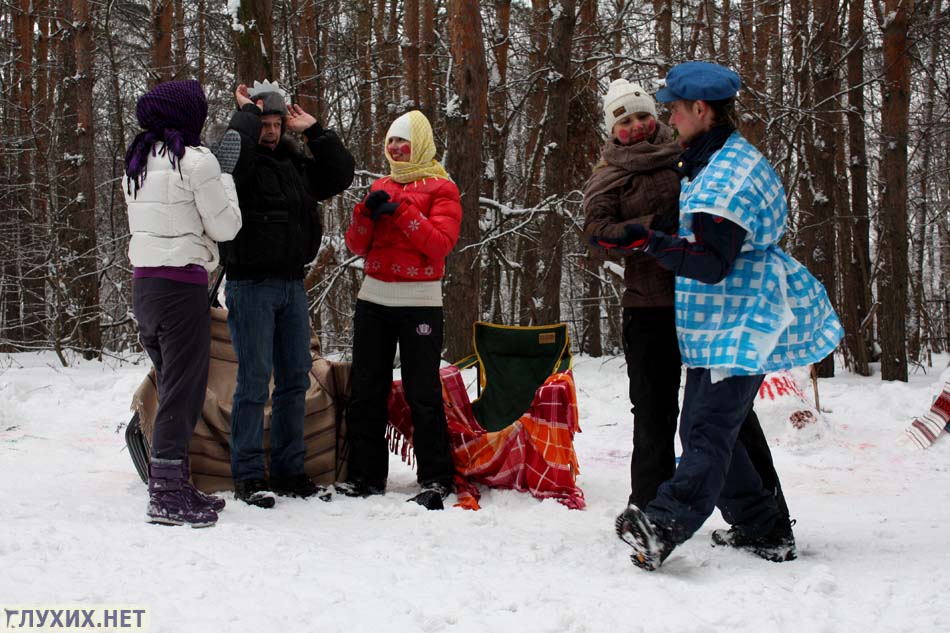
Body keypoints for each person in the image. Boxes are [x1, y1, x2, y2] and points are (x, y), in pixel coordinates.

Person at [592, 61, 842, 570]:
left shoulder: (724, 175)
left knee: (705, 430)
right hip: (714, 319)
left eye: (672, 110)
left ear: (700, 110)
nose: (665, 119)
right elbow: (601, 227)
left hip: (739, 319)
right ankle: (763, 528)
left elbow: (711, 261)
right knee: (708, 426)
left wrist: (653, 240)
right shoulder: (708, 157)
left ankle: (662, 525)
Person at [583, 79, 794, 521]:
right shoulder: (608, 175)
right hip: (650, 304)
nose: (637, 126)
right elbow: (597, 233)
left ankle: (768, 507)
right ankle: (647, 503)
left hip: (706, 300)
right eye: (624, 121)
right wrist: (650, 227)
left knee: (728, 411)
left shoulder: (690, 156)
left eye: (642, 115)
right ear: (612, 130)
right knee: (654, 408)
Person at [221, 80, 355, 508]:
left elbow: (339, 174)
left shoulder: (296, 166)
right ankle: (246, 475)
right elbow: (229, 163)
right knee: (254, 381)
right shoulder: (237, 166)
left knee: (295, 379)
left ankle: (289, 471)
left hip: (292, 285)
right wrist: (246, 114)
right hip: (249, 284)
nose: (272, 131)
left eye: (278, 124)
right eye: (265, 123)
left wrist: (314, 130)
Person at [124, 80, 243, 527]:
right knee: (183, 389)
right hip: (180, 287)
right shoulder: (196, 162)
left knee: (174, 383)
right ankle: (166, 495)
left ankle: (177, 482)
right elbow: (227, 227)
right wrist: (225, 175)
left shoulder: (135, 162)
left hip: (145, 287)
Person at [338, 110, 461, 511]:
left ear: (420, 144)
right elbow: (357, 246)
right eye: (391, 141)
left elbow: (440, 244)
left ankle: (437, 478)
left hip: (420, 304)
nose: (395, 148)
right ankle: (364, 476)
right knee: (366, 390)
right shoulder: (381, 185)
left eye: (403, 141)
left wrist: (403, 212)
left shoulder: (443, 188)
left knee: (421, 391)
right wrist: (364, 213)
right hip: (373, 299)